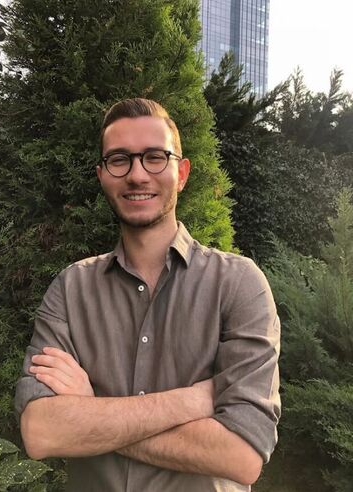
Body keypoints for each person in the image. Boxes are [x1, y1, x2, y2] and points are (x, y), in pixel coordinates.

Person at [15, 98, 281, 492]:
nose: (137, 175)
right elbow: (42, 432)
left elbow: (241, 455)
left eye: (155, 157)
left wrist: (90, 409)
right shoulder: (71, 289)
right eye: (119, 160)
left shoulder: (239, 283)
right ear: (102, 175)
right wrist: (190, 402)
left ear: (182, 173)